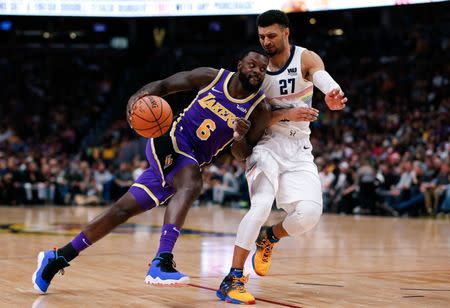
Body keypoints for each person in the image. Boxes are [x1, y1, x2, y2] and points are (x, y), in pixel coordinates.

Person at [32, 49, 272, 293]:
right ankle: (162, 260)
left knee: (121, 210)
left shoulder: (259, 108)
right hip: (168, 139)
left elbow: (241, 153)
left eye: (263, 69)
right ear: (240, 64)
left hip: (187, 162)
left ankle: (57, 258)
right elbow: (165, 85)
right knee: (191, 184)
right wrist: (137, 97)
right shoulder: (212, 77)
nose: (257, 71)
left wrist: (240, 137)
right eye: (253, 64)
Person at [216, 10, 347, 304]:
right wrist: (285, 114)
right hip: (266, 146)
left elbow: (321, 76)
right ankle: (233, 277)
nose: (266, 42)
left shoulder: (304, 58)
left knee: (309, 215)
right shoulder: (256, 74)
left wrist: (332, 92)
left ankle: (269, 238)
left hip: (299, 148)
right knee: (261, 205)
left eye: (272, 35)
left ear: (286, 32)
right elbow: (255, 122)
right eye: (262, 37)